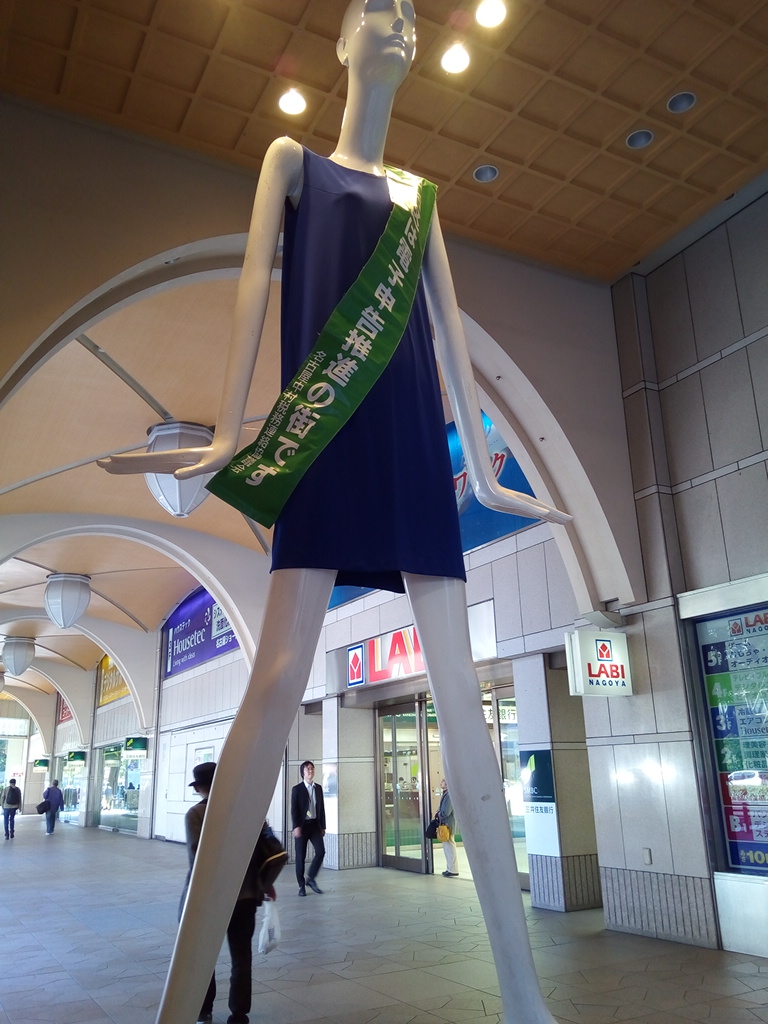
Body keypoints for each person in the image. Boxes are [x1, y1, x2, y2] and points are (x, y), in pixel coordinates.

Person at [100, 3, 568, 1022]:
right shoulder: (293, 165)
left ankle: (526, 997)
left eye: (409, 13)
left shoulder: (422, 199)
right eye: (376, 10)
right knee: (274, 682)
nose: (397, 22)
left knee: (462, 697)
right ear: (344, 40)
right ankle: (176, 1005)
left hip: (409, 445)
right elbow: (253, 294)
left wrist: (486, 470)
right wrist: (230, 431)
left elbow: (451, 339)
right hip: (322, 437)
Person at [184, 761, 275, 1024]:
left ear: (199, 787)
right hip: (245, 895)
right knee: (241, 956)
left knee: (205, 957)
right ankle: (239, 1013)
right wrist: (266, 883)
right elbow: (260, 852)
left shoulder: (195, 814)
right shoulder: (247, 810)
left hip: (210, 899)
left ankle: (204, 1010)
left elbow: (198, 861)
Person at [290, 760, 325, 896]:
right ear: (303, 773)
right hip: (302, 826)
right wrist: (296, 826)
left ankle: (311, 878)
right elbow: (294, 810)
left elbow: (321, 808)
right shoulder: (297, 789)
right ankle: (301, 886)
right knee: (300, 857)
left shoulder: (318, 788)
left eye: (312, 768)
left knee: (321, 851)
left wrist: (323, 826)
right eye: (308, 769)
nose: (310, 771)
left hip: (315, 825)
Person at [436, 778, 458, 877]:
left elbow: (446, 811)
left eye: (443, 781)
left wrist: (439, 814)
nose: (441, 783)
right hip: (447, 824)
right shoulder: (446, 794)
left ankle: (452, 869)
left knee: (449, 846)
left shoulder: (449, 795)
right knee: (448, 846)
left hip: (447, 824)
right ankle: (451, 868)